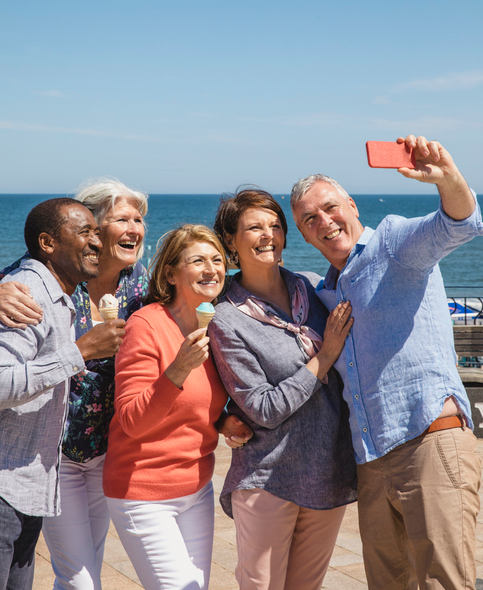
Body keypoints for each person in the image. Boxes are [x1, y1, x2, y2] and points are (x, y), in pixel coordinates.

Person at [290, 134, 483, 590]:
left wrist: (448, 178)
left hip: (430, 442)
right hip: (371, 462)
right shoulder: (324, 291)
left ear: (352, 205)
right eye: (309, 219)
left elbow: (460, 223)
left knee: (444, 583)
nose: (324, 221)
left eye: (330, 207)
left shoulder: (395, 243)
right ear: (302, 232)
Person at [0, 178, 149, 590]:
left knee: (88, 569)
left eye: (140, 219)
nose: (135, 228)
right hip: (50, 454)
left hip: (105, 451)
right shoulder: (45, 280)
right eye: (122, 219)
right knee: (80, 579)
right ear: (96, 228)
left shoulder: (141, 286)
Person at [207, 189, 357, 590]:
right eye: (254, 227)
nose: (268, 234)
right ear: (230, 242)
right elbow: (262, 408)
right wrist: (323, 358)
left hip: (329, 469)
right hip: (268, 476)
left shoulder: (312, 288)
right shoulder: (226, 317)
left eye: (275, 225)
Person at [102, 224, 252, 590]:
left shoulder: (216, 324)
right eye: (198, 260)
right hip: (143, 491)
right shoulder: (146, 325)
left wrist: (222, 421)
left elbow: (198, 400)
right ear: (170, 274)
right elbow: (133, 419)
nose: (211, 269)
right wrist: (179, 368)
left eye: (217, 260)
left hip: (197, 488)